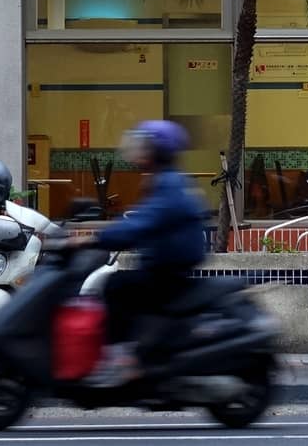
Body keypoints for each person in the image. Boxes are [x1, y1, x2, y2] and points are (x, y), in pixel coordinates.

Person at [69, 120, 208, 386]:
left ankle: (121, 361)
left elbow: (141, 223)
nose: (139, 152)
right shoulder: (165, 180)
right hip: (166, 267)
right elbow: (140, 218)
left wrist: (96, 238)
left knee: (114, 286)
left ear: (158, 151)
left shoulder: (168, 184)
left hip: (168, 271)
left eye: (145, 146)